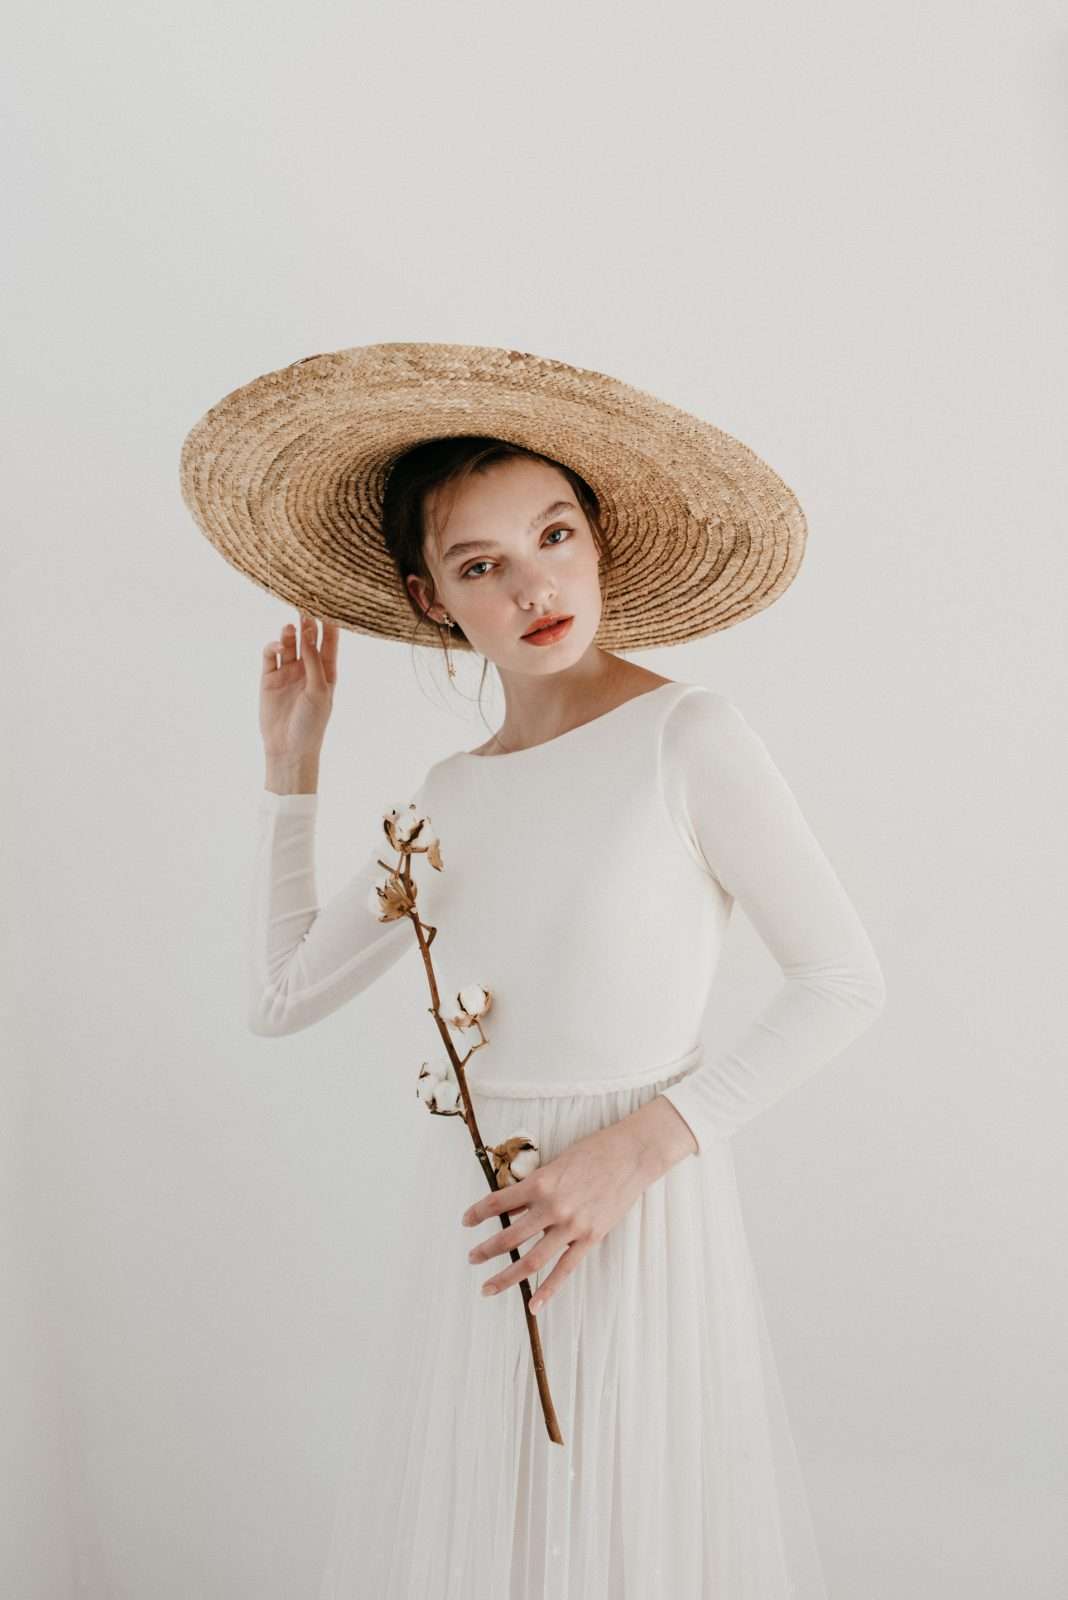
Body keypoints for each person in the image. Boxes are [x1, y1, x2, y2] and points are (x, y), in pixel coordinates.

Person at [247, 436, 887, 1599]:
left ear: (596, 543)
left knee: (639, 1541)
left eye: (554, 536)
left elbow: (842, 980)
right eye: (480, 564)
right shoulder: (449, 797)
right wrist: (293, 770)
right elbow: (282, 997)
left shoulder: (687, 736)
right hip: (490, 1244)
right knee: (496, 1546)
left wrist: (635, 1152)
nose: (534, 586)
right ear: (430, 599)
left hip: (640, 1218)